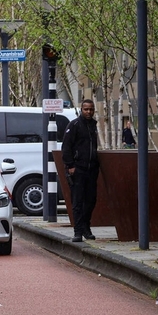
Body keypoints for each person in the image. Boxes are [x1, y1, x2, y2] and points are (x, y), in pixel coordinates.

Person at [61, 98, 100, 243]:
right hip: (78, 169)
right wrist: (70, 165)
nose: (89, 111)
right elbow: (66, 148)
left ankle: (85, 227)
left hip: (92, 169)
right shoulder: (75, 125)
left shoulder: (94, 125)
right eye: (86, 109)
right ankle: (78, 231)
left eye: (91, 109)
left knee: (91, 200)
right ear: (81, 109)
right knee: (77, 201)